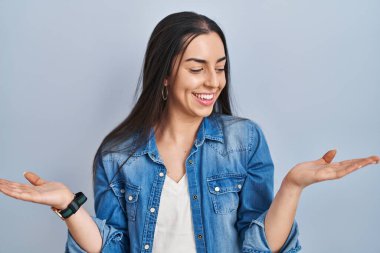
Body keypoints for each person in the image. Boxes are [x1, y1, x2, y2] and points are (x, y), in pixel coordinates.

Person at [0, 11, 379, 253]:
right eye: (197, 68)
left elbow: (258, 246)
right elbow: (112, 248)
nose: (213, 81)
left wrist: (292, 186)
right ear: (164, 75)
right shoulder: (117, 155)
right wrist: (68, 206)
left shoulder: (244, 141)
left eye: (220, 66)